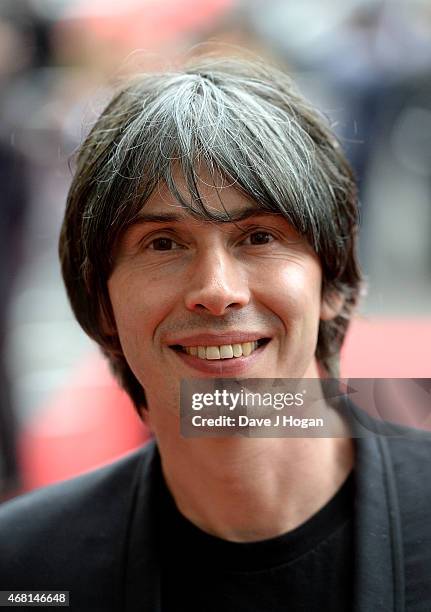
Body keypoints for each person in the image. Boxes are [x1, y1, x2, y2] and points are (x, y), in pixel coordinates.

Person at [0, 54, 430, 611]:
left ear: (332, 283)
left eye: (258, 237)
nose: (218, 289)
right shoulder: (27, 570)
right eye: (163, 244)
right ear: (102, 302)